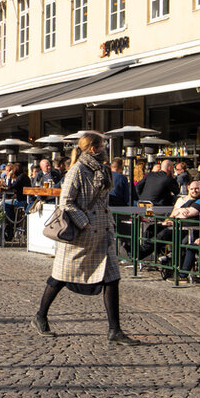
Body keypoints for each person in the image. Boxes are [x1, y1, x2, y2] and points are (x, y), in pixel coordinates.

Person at [33, 132, 140, 345]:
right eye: (103, 145)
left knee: (112, 279)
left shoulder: (102, 169)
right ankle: (40, 315)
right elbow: (66, 202)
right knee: (60, 277)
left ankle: (115, 330)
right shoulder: (77, 170)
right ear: (93, 148)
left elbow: (103, 200)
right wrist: (85, 223)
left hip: (103, 233)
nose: (105, 149)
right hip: (82, 235)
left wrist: (107, 222)